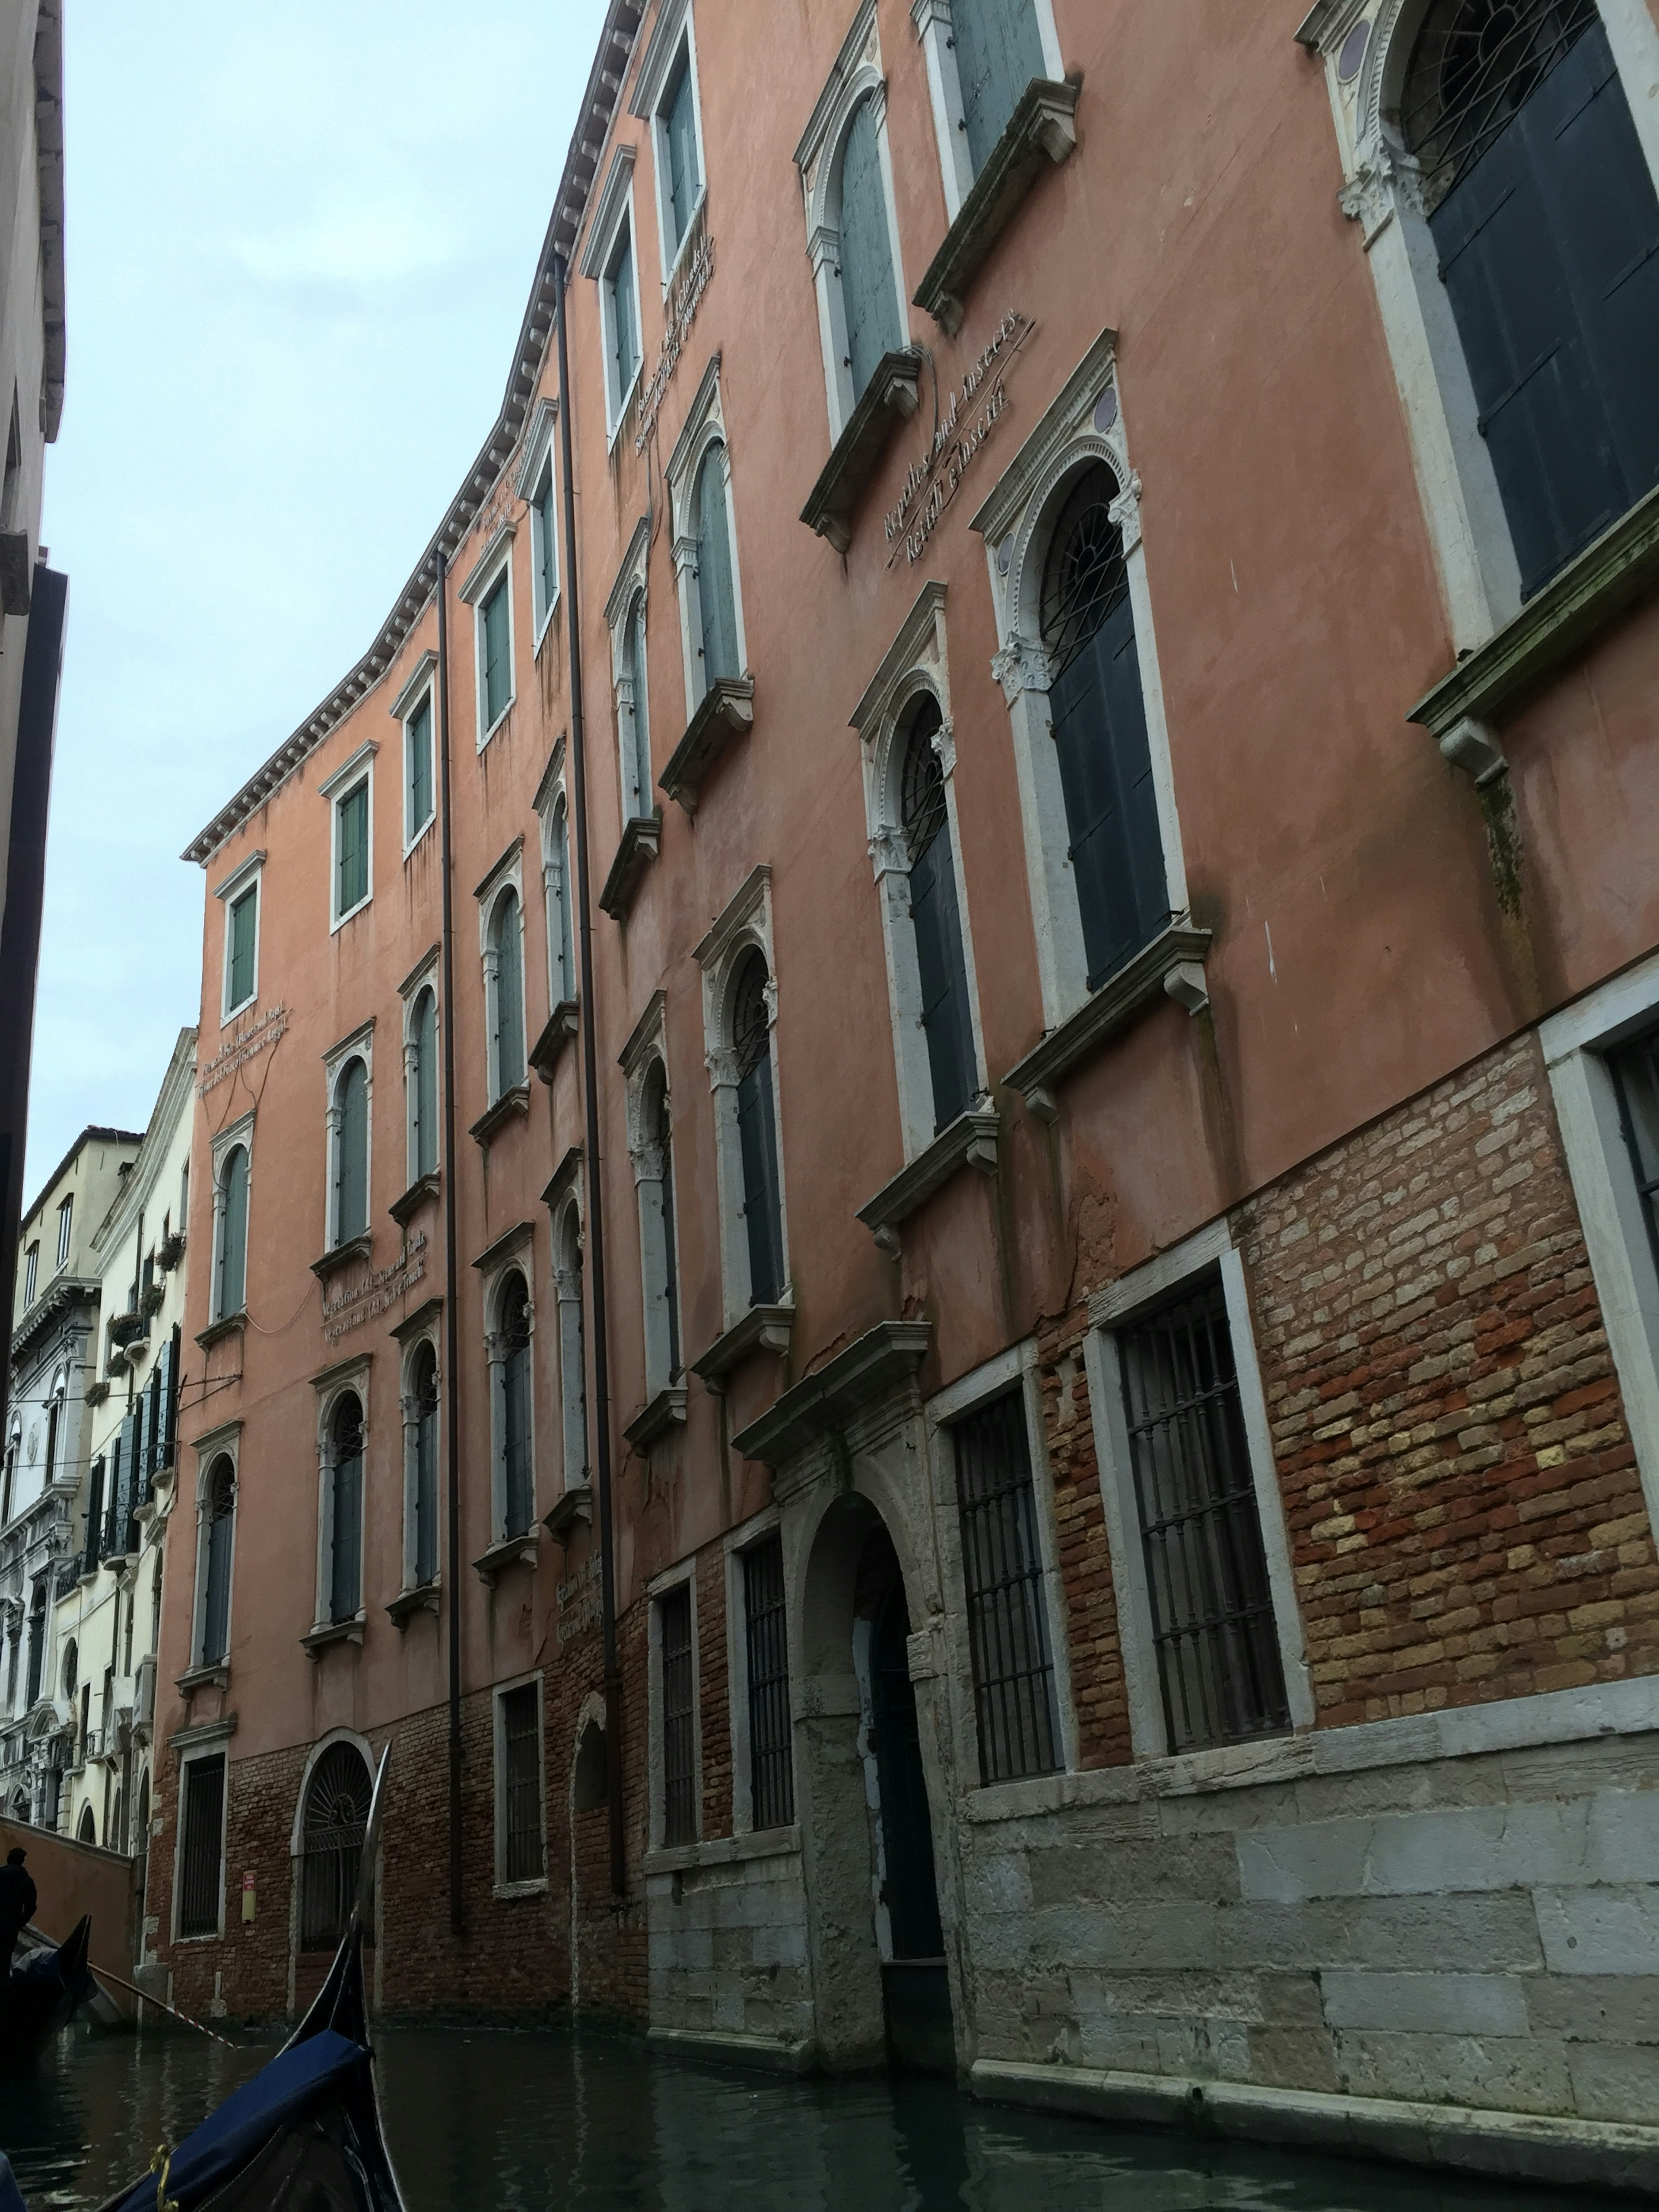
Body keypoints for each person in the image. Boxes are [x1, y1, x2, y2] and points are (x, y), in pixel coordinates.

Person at [0, 1847, 36, 1972]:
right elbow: (31, 1907)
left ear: (9, 1859)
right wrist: (21, 1923)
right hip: (10, 1926)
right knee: (4, 1960)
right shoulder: (27, 1882)